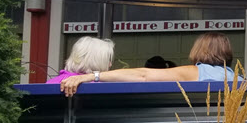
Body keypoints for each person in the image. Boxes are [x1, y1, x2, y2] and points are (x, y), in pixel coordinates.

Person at [60, 31, 237, 96]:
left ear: (198, 51)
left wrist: (93, 76)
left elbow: (143, 76)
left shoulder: (196, 72)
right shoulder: (236, 78)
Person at [47, 36, 115, 83]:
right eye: (107, 60)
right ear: (94, 61)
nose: (110, 64)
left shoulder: (52, 82)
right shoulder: (99, 87)